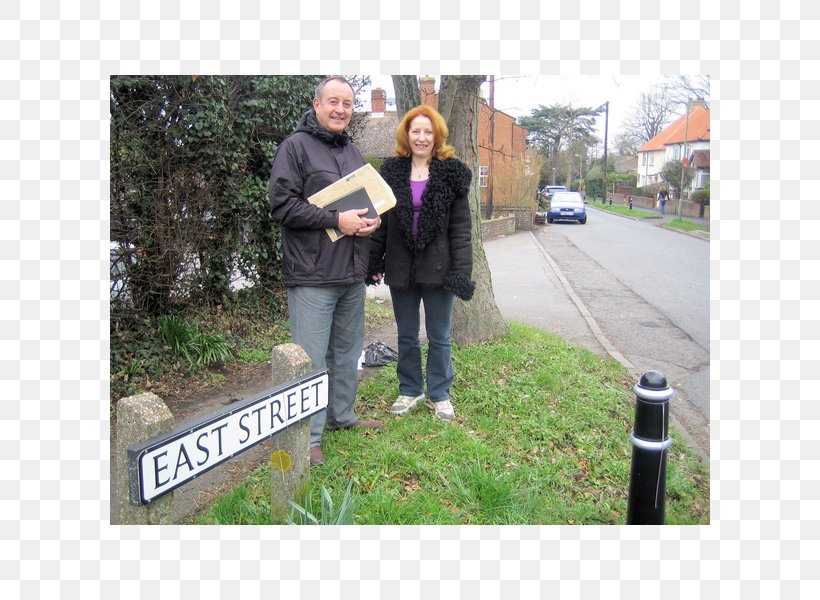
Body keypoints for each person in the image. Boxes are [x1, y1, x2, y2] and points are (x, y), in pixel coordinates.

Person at [269, 76, 383, 467]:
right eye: (333, 102)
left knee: (347, 353)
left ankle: (342, 416)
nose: (340, 110)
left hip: (351, 273)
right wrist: (337, 219)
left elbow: (365, 204)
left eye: (347, 104)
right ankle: (309, 437)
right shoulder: (294, 148)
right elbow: (282, 206)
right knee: (311, 359)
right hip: (312, 275)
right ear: (316, 104)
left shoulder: (352, 151)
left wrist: (371, 222)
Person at [367, 105, 475, 421]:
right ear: (407, 134)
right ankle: (410, 389)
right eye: (416, 131)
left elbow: (461, 229)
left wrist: (461, 273)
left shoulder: (452, 173)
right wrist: (374, 259)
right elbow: (381, 221)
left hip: (439, 267)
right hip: (401, 265)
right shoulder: (391, 171)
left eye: (428, 131)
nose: (422, 137)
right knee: (406, 334)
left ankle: (440, 395)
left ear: (437, 135)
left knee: (439, 335)